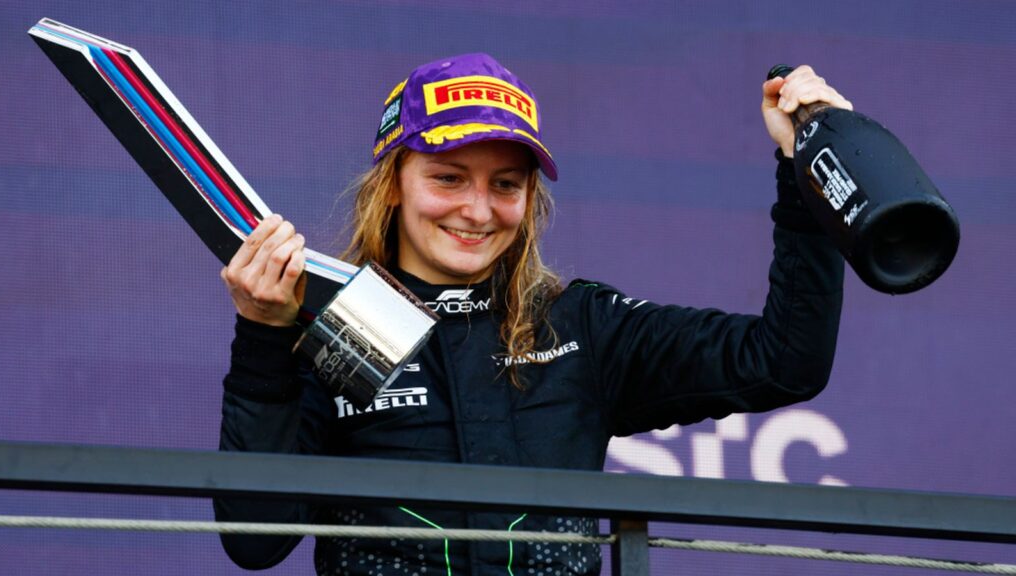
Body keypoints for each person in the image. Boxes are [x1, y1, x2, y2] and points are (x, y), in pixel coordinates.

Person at [214, 53, 848, 575]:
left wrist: (804, 173)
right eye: (449, 177)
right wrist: (264, 335)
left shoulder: (579, 325)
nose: (479, 210)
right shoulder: (335, 322)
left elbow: (786, 361)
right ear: (394, 182)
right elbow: (255, 540)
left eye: (506, 185)